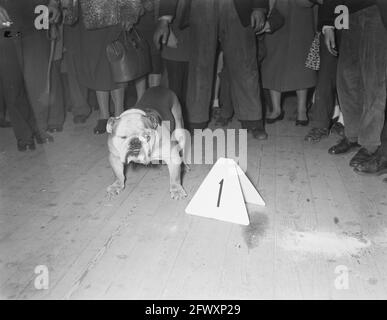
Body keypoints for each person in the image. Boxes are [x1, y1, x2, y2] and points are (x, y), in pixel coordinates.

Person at [154, 0, 269, 140]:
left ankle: (253, 121)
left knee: (245, 63)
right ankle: (196, 120)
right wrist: (164, 19)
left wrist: (259, 7)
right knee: (199, 66)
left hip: (238, 7)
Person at [321, 0, 387, 170]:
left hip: (377, 10)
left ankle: (370, 143)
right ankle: (353, 135)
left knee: (374, 80)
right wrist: (327, 24)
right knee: (346, 78)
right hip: (346, 13)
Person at [62, 0, 143, 134]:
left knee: (115, 63)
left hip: (113, 15)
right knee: (97, 65)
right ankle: (104, 116)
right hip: (87, 18)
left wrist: (130, 13)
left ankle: (119, 114)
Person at [0, 0, 65, 144]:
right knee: (12, 79)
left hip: (37, 16)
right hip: (8, 21)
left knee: (38, 77)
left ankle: (40, 127)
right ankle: (24, 134)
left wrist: (54, 3)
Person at [261, 0, 317, 126]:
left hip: (301, 14)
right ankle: (276, 109)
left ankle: (302, 110)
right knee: (273, 60)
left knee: (300, 62)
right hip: (276, 11)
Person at [0, 10, 38, 151]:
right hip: (6, 29)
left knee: (31, 81)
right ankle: (25, 135)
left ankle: (35, 128)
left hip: (27, 21)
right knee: (12, 84)